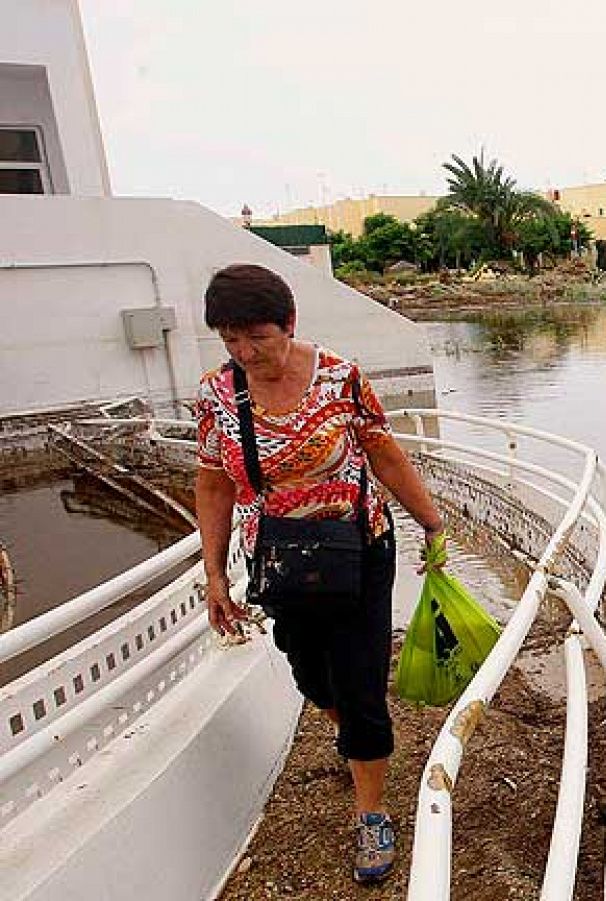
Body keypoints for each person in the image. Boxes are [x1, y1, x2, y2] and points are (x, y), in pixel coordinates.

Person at [193, 263, 446, 885]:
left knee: (360, 682)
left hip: (360, 548)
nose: (247, 353)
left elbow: (383, 449)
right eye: (231, 340)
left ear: (290, 324)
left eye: (258, 337)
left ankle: (371, 811)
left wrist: (433, 523)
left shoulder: (339, 377)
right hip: (279, 557)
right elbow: (213, 482)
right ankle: (357, 743)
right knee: (310, 673)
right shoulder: (219, 396)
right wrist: (216, 575)